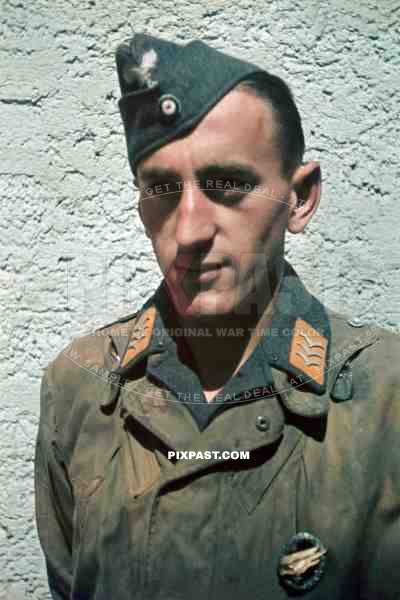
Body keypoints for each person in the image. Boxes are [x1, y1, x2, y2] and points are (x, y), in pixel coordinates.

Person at [34, 33, 400, 600]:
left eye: (227, 185)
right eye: (161, 188)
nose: (189, 231)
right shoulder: (80, 387)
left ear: (299, 199)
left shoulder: (387, 399)